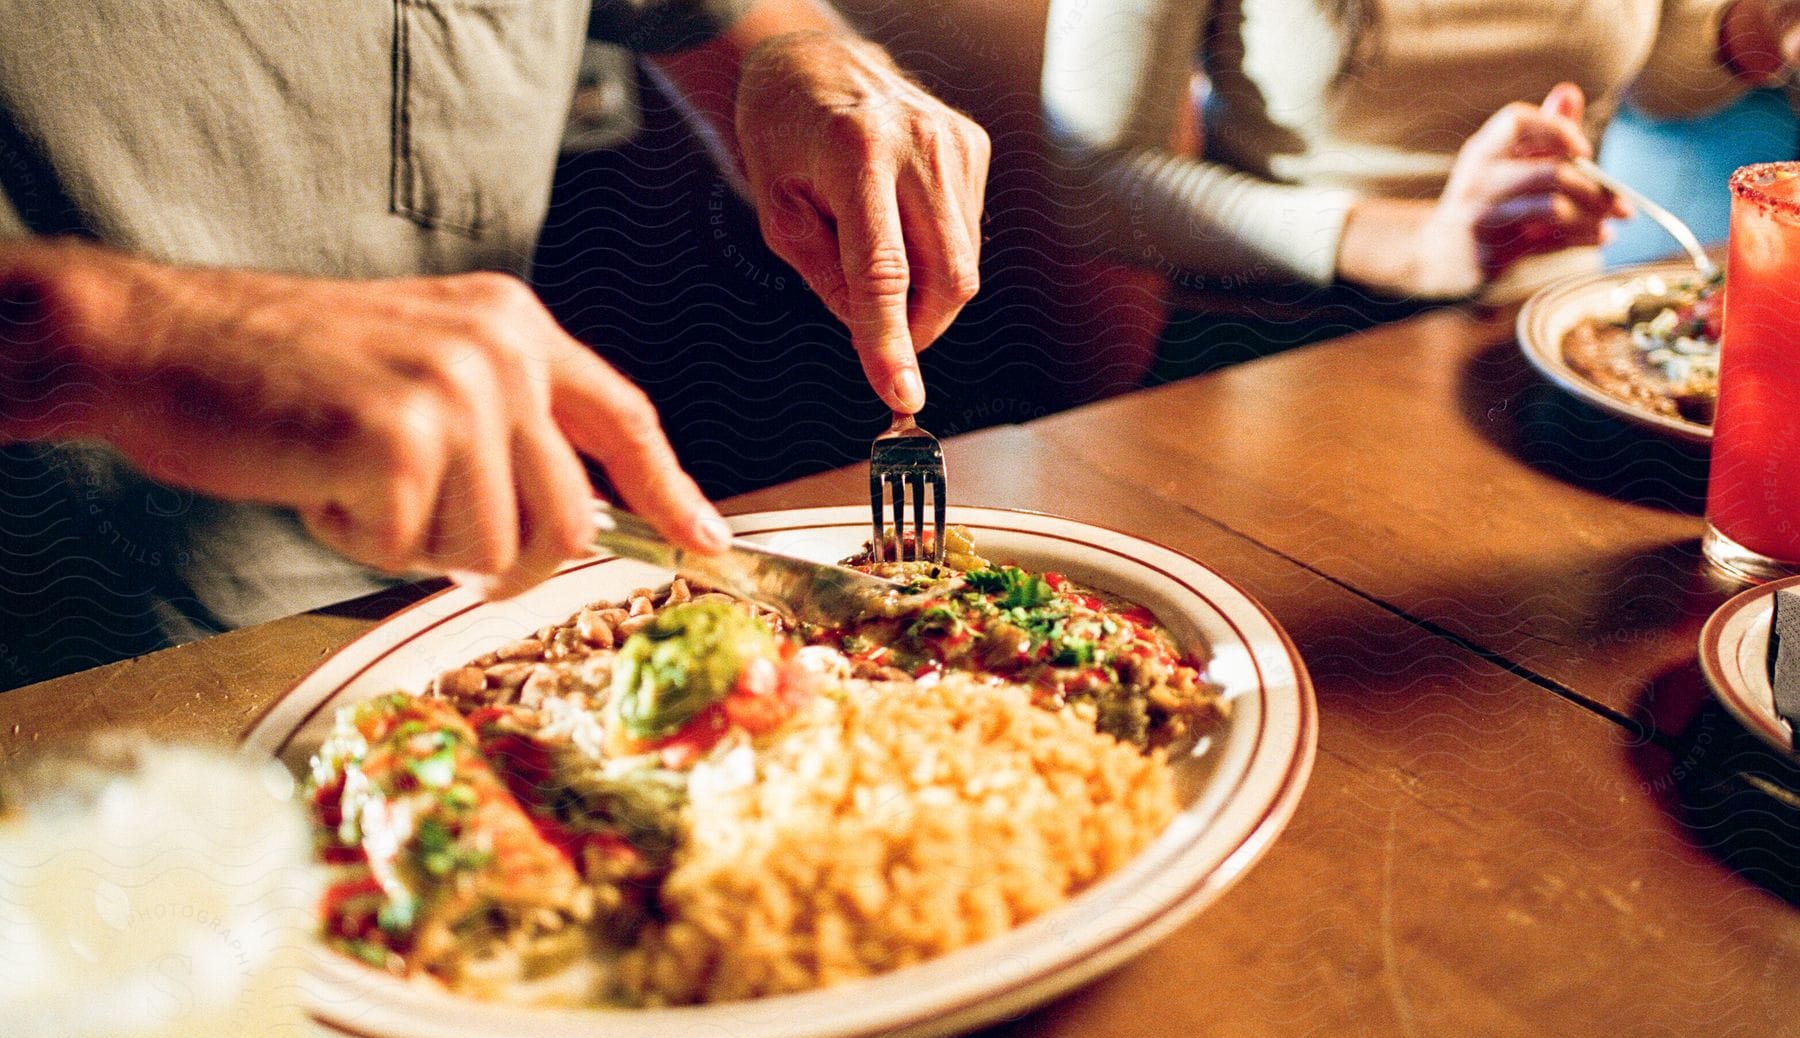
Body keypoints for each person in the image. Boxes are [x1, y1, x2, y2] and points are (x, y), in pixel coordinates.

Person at [0, 0, 988, 686]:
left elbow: (713, 17)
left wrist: (789, 54)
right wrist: (125, 333)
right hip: (74, 670)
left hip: (498, 597)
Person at [1041, 0, 1800, 372]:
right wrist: (1420, 245)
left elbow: (1668, 78)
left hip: (1546, 350)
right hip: (1272, 353)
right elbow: (1094, 182)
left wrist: (1763, 25)